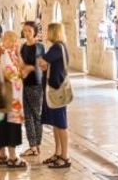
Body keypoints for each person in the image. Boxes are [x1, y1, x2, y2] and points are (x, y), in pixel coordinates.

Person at [38, 23, 73, 169]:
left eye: (48, 30)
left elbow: (42, 62)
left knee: (61, 124)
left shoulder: (57, 47)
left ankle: (65, 156)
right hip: (54, 89)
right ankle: (58, 153)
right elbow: (44, 63)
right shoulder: (60, 47)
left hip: (56, 90)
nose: (46, 33)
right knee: (56, 124)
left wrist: (43, 63)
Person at [0, 31, 27, 169]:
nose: (14, 44)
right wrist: (20, 73)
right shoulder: (4, 54)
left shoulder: (1, 53)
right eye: (12, 41)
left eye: (15, 41)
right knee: (11, 125)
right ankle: (13, 157)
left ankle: (1, 155)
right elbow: (10, 73)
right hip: (9, 96)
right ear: (5, 40)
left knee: (0, 123)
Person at [20, 21, 45, 158]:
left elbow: (40, 64)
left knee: (36, 115)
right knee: (27, 116)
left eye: (29, 31)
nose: (27, 33)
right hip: (25, 82)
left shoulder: (39, 46)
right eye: (25, 31)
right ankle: (33, 146)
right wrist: (22, 68)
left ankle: (38, 144)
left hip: (36, 83)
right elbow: (22, 61)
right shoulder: (24, 46)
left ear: (34, 32)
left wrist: (28, 69)